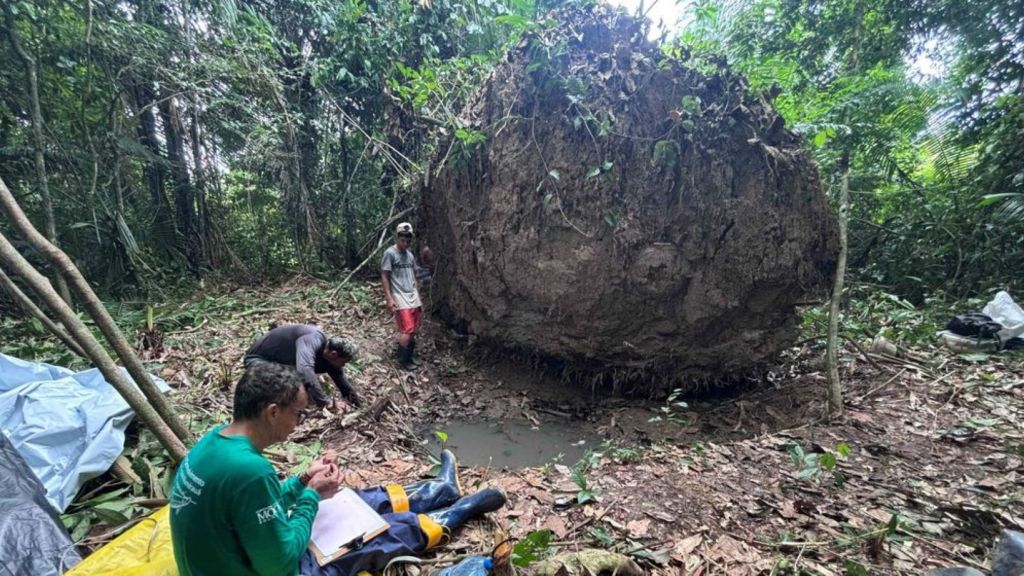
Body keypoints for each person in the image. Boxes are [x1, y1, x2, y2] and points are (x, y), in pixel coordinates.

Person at [170, 361, 507, 576]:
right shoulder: (248, 469)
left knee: (352, 501)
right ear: (273, 412)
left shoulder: (214, 442)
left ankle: (439, 490)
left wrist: (304, 481)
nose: (299, 422)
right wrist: (311, 497)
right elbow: (278, 564)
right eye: (298, 413)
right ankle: (457, 512)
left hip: (234, 553)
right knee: (376, 535)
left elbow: (252, 506)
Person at [244, 324, 361, 410]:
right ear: (333, 354)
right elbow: (305, 369)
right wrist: (326, 402)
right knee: (291, 381)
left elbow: (340, 379)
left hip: (282, 363)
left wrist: (357, 406)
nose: (344, 365)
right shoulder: (312, 338)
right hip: (257, 360)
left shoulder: (328, 353)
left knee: (327, 369)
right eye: (343, 362)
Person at [381, 222, 423, 371]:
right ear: (397, 237)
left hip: (412, 296)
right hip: (400, 295)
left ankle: (409, 356)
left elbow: (414, 276)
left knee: (414, 329)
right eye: (402, 240)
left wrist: (418, 296)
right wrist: (389, 298)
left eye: (408, 240)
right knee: (407, 329)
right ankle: (402, 360)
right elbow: (385, 275)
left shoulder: (410, 255)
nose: (405, 243)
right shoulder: (390, 253)